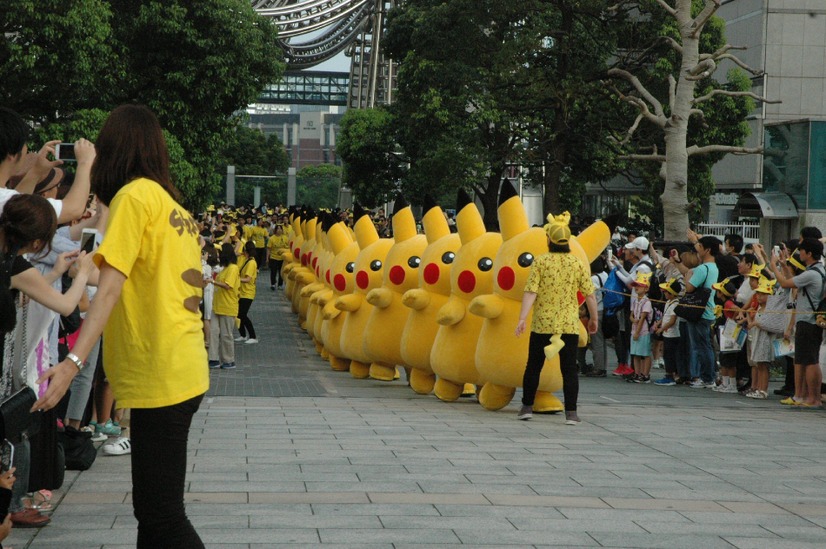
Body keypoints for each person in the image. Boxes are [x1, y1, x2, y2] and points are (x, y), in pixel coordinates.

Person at [32, 105, 209, 548]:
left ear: (115, 148)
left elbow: (109, 291)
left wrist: (73, 362)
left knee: (162, 516)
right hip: (179, 366)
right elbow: (115, 277)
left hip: (162, 371)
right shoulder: (169, 204)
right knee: (152, 515)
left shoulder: (135, 197)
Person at [515, 212, 597, 425]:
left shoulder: (540, 262)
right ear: (568, 240)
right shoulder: (577, 263)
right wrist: (594, 318)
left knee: (533, 366)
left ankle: (526, 406)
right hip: (569, 325)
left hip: (542, 323)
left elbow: (531, 292)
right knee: (569, 369)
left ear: (549, 239)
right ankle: (571, 412)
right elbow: (589, 294)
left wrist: (522, 318)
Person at [770, 238, 825, 408]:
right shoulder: (817, 271)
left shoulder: (811, 273)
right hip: (809, 321)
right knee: (805, 359)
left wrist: (773, 266)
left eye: (801, 251)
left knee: (810, 361)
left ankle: (812, 398)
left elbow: (786, 283)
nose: (799, 253)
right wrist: (785, 267)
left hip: (807, 321)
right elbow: (794, 282)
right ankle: (806, 396)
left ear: (809, 253)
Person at [672, 234, 720, 388]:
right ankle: (707, 376)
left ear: (707, 249)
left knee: (701, 346)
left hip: (698, 312)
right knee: (704, 345)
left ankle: (706, 378)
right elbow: (690, 274)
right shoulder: (713, 267)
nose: (696, 248)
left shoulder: (702, 268)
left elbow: (689, 287)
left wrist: (688, 278)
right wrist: (679, 264)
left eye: (699, 246)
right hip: (707, 310)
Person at [212, 244, 240, 369]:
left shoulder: (233, 269)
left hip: (228, 306)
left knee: (226, 335)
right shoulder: (224, 269)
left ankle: (228, 360)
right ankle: (213, 358)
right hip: (217, 305)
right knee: (213, 332)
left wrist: (213, 282)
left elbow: (228, 285)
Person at [653, 278, 682, 386]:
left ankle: (670, 375)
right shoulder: (668, 302)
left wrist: (661, 328)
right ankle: (670, 374)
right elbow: (665, 315)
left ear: (672, 293)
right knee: (667, 354)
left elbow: (672, 320)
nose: (664, 293)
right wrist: (659, 323)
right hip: (667, 333)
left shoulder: (675, 304)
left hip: (673, 334)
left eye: (666, 291)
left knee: (670, 355)